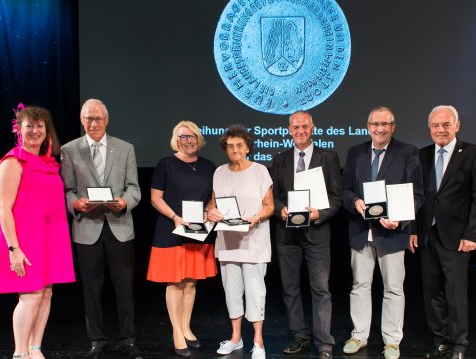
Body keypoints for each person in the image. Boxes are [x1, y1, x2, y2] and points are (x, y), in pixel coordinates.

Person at [60, 99, 142, 359]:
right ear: (81, 120)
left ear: (107, 120)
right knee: (92, 287)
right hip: (87, 226)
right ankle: (96, 340)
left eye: (97, 118)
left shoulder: (125, 148)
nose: (93, 123)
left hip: (119, 225)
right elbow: (67, 190)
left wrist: (124, 202)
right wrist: (75, 202)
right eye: (88, 118)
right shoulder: (69, 149)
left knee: (124, 286)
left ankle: (128, 339)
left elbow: (134, 188)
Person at [340, 107, 424, 359]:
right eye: (375, 124)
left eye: (385, 124)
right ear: (368, 126)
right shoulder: (355, 152)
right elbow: (345, 190)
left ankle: (392, 341)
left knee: (394, 288)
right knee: (360, 286)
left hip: (392, 233)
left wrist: (400, 217)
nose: (380, 128)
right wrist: (355, 202)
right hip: (361, 231)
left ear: (393, 126)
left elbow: (417, 195)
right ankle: (359, 335)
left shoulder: (408, 152)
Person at [0, 106, 75, 359]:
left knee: (45, 293)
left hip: (49, 238)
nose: (35, 131)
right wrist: (13, 248)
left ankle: (35, 348)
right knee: (30, 296)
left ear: (46, 130)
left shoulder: (49, 163)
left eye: (40, 126)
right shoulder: (13, 161)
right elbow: (3, 208)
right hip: (22, 239)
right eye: (29, 125)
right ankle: (20, 353)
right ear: (19, 129)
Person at [410, 105, 476, 359]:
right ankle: (440, 339)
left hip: (457, 237)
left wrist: (472, 234)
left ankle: (459, 344)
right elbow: (416, 197)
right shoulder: (421, 155)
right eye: (435, 125)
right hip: (426, 234)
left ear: (457, 125)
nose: (440, 130)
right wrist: (412, 229)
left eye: (446, 125)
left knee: (455, 292)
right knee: (431, 290)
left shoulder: (473, 154)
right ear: (429, 128)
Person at [270, 111, 342, 359]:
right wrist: (281, 210)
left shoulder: (328, 157)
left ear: (312, 128)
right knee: (290, 289)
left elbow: (336, 197)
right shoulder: (279, 159)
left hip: (317, 232)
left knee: (321, 290)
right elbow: (274, 197)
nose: (300, 131)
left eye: (304, 126)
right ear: (289, 130)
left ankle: (324, 344)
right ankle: (300, 336)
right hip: (287, 235)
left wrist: (318, 214)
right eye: (295, 127)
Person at [146, 120, 218, 357]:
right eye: (183, 137)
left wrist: (209, 212)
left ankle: (186, 328)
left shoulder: (209, 166)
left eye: (192, 136)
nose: (188, 141)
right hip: (172, 230)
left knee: (191, 282)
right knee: (174, 282)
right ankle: (176, 332)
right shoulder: (166, 164)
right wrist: (175, 217)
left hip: (198, 232)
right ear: (176, 140)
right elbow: (156, 198)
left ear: (199, 138)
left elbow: (211, 199)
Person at [207, 124, 274, 359]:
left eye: (239, 145)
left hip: (254, 242)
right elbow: (212, 205)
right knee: (232, 293)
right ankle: (236, 338)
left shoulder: (260, 171)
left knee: (256, 292)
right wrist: (210, 212)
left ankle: (258, 341)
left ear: (248, 148)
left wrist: (256, 216)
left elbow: (270, 206)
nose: (234, 149)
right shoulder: (219, 172)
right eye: (230, 146)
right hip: (227, 242)